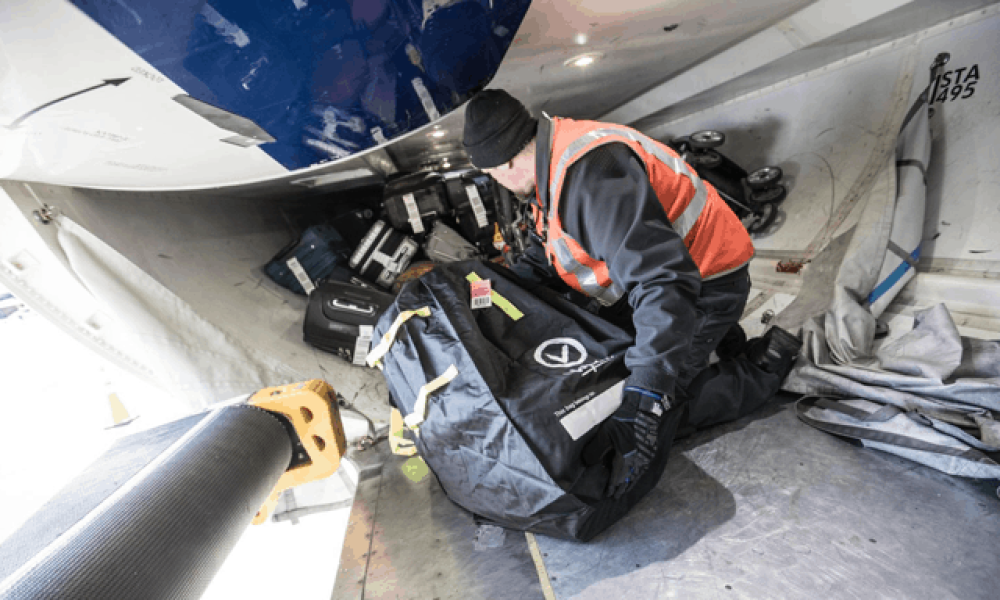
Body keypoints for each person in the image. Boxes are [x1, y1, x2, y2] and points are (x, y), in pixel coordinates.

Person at [462, 89, 802, 498]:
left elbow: (662, 281)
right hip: (675, 277)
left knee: (657, 412)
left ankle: (766, 365)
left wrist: (648, 389)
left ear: (504, 163)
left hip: (705, 284)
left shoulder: (588, 178)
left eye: (491, 174)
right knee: (616, 364)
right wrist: (491, 295)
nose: (494, 182)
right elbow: (547, 253)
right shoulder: (552, 164)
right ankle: (720, 343)